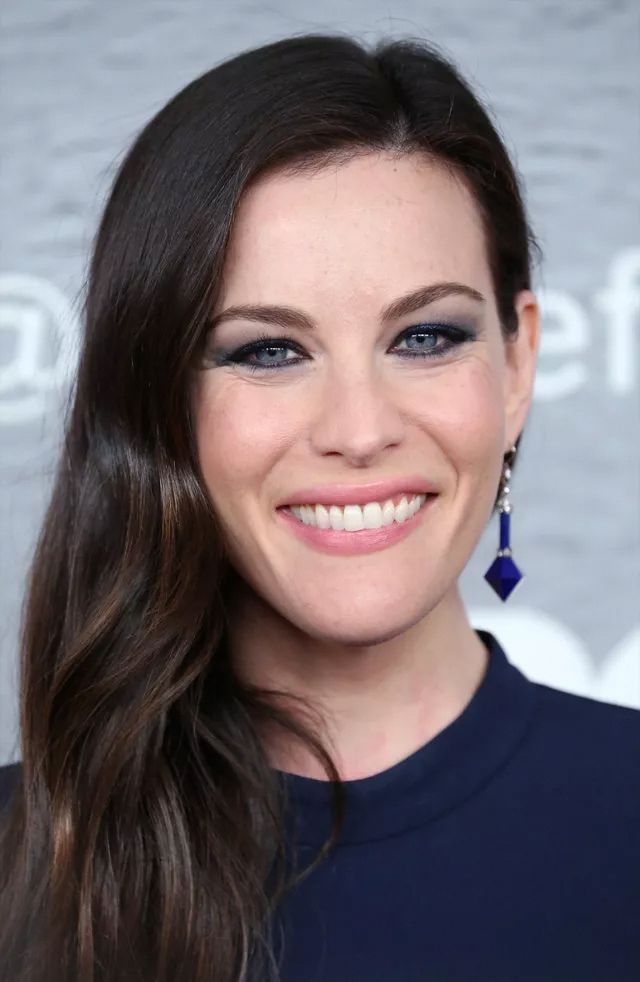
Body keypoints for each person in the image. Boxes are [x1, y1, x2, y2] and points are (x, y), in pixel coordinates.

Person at [0, 31, 638, 982]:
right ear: (160, 399)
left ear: (517, 364)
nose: (358, 427)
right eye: (268, 350)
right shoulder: (21, 864)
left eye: (425, 336)